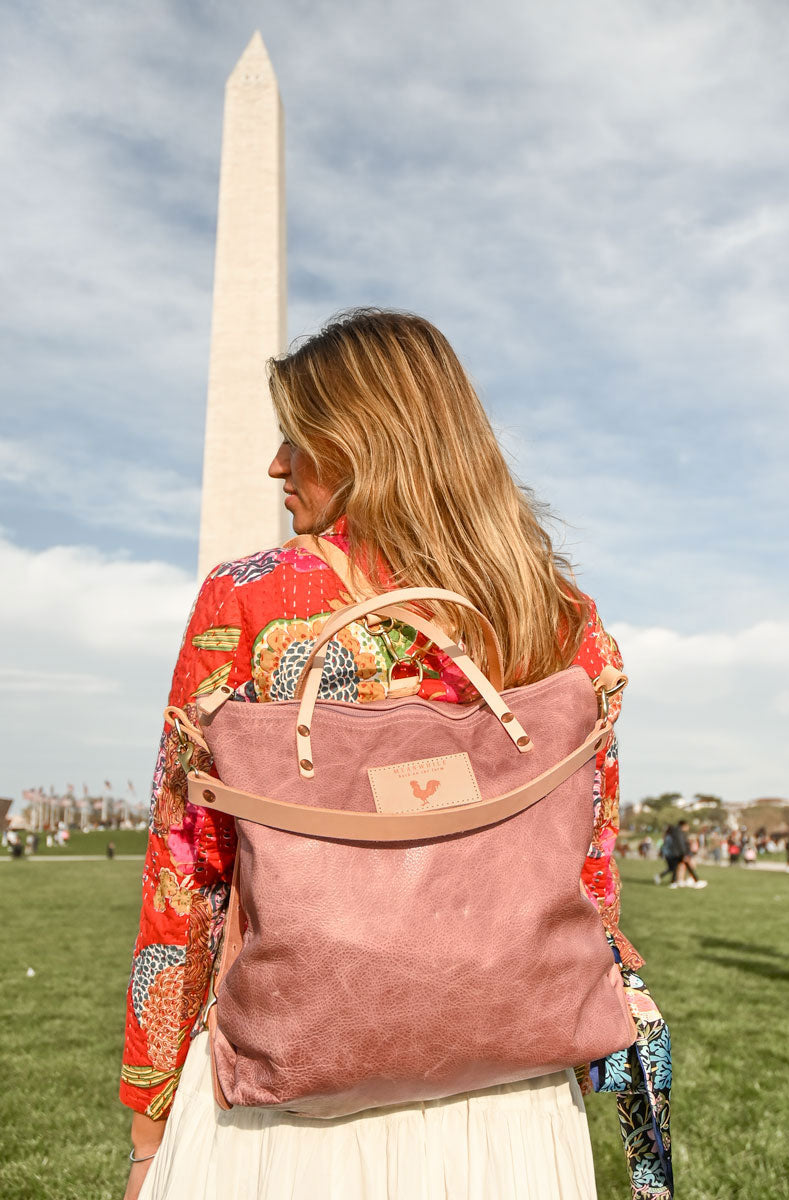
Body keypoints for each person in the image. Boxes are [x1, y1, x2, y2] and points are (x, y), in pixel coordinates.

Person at [121, 309, 648, 1200]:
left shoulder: (250, 598)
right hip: (511, 1085)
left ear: (364, 442)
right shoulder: (561, 616)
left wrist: (148, 1122)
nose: (277, 465)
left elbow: (187, 877)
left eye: (299, 436)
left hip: (295, 1079)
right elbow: (588, 870)